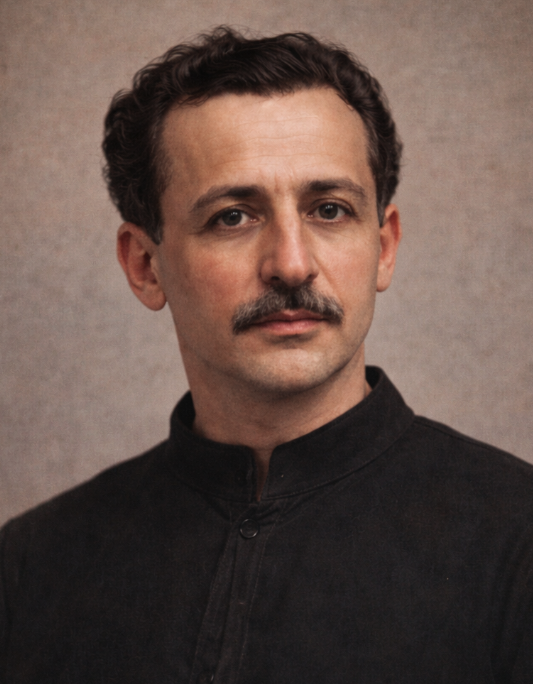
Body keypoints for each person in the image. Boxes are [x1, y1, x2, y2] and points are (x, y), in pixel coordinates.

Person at [1, 27, 532, 683]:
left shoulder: (518, 541)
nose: (290, 264)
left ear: (384, 246)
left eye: (329, 210)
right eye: (233, 216)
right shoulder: (29, 567)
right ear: (144, 265)